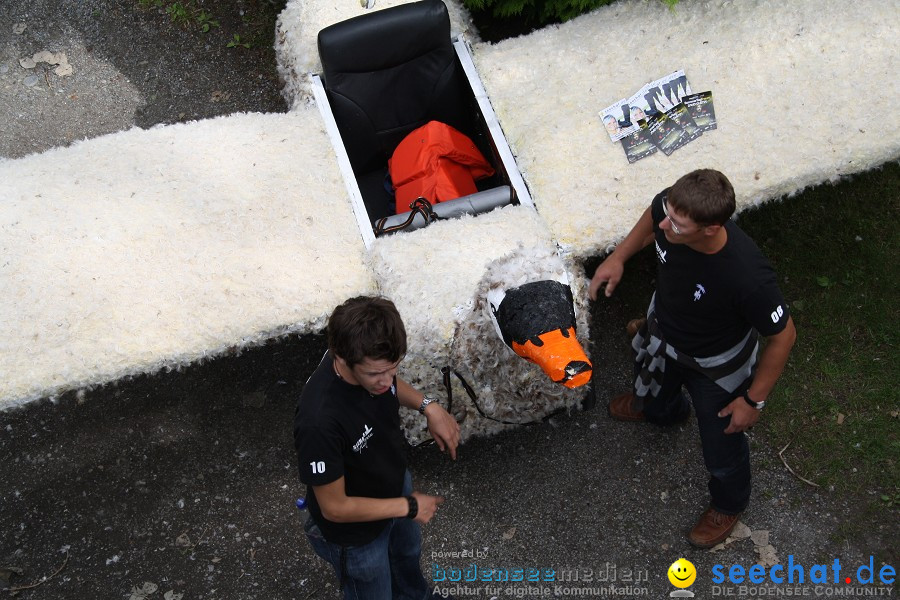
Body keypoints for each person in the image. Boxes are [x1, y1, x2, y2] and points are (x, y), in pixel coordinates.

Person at [589, 169, 796, 548]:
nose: (665, 224)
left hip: (715, 365)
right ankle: (661, 410)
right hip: (664, 329)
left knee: (723, 443)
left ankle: (729, 504)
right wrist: (619, 257)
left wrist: (753, 401)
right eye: (667, 211)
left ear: (711, 228)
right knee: (651, 384)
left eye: (678, 225)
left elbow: (783, 336)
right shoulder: (673, 209)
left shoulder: (748, 277)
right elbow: (652, 219)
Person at [294, 296, 460, 599]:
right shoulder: (319, 421)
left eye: (393, 368)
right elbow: (334, 508)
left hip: (395, 488)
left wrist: (429, 407)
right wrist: (409, 507)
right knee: (374, 590)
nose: (386, 382)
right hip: (356, 536)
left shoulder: (372, 364)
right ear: (341, 359)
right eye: (374, 374)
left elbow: (390, 383)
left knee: (406, 559)